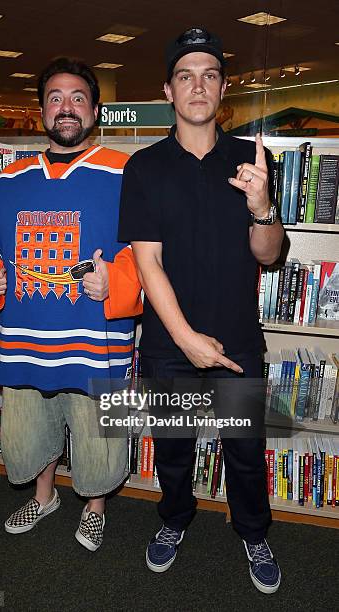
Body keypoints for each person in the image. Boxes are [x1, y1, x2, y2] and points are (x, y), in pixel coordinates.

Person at [118, 27, 284, 593]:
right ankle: (174, 521)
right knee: (173, 449)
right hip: (169, 342)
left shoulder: (250, 161)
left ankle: (253, 532)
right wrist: (186, 338)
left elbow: (269, 253)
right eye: (185, 75)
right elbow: (148, 266)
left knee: (244, 451)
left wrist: (262, 207)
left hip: (239, 337)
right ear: (168, 89)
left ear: (222, 88)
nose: (198, 86)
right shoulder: (143, 168)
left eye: (209, 75)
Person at [0, 57, 142, 551]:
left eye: (77, 98)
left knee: (98, 437)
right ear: (42, 110)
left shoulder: (127, 172)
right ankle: (44, 497)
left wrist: (117, 281)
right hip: (26, 341)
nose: (66, 108)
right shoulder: (8, 179)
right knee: (29, 431)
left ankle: (95, 507)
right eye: (55, 99)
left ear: (95, 110)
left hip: (98, 343)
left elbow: (150, 251)